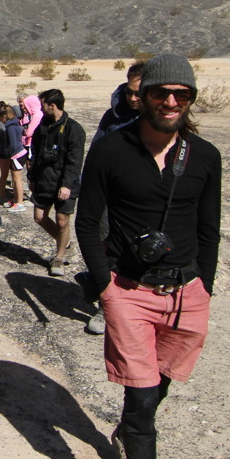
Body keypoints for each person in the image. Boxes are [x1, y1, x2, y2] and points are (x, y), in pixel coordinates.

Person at [75, 54, 222, 459]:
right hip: (129, 290)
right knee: (141, 398)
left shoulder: (206, 157)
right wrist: (104, 287)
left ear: (192, 100)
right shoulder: (110, 149)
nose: (172, 102)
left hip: (187, 292)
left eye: (183, 94)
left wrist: (205, 289)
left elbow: (209, 229)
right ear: (143, 98)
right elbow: (86, 221)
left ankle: (125, 433)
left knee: (159, 385)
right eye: (162, 93)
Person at [85, 61, 145, 334]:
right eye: (130, 91)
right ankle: (105, 307)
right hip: (109, 198)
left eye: (140, 93)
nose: (133, 98)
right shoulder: (113, 116)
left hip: (142, 201)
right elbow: (97, 154)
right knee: (106, 249)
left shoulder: (159, 120)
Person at [29, 88, 85, 277]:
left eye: (43, 105)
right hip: (44, 180)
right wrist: (33, 177)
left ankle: (59, 257)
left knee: (62, 221)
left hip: (64, 184)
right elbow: (35, 153)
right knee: (39, 217)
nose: (41, 109)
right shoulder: (42, 126)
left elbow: (75, 161)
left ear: (52, 106)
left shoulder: (73, 129)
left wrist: (67, 185)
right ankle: (66, 243)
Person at [94, 62, 146, 143]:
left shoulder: (161, 119)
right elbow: (96, 148)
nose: (132, 98)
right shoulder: (111, 117)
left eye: (138, 94)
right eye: (128, 92)